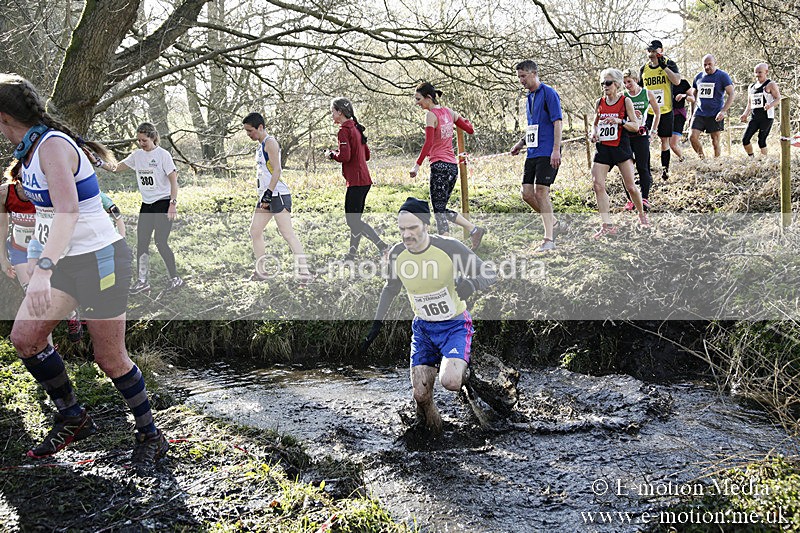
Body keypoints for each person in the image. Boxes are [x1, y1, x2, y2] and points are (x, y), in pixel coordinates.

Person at [0, 73, 167, 465]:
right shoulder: (28, 151)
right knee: (26, 337)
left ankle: (149, 434)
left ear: (5, 116)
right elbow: (45, 216)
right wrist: (33, 262)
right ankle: (73, 417)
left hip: (100, 260)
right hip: (62, 263)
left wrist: (41, 270)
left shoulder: (53, 146)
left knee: (109, 358)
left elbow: (68, 211)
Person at [362, 198, 496, 436]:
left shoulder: (449, 247)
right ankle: (435, 438)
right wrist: (376, 324)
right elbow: (390, 288)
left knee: (451, 382)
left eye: (412, 227)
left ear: (426, 225)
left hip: (454, 326)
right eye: (401, 229)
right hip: (423, 329)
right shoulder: (397, 253)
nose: (406, 234)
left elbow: (490, 272)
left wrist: (473, 284)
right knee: (421, 396)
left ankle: (466, 372)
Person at [89, 123, 182, 295]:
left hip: (163, 203)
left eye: (144, 140)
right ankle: (142, 281)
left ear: (153, 137)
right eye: (138, 140)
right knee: (142, 243)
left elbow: (173, 180)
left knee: (161, 242)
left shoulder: (163, 155)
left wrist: (172, 204)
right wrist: (98, 162)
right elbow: (116, 169)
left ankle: (175, 278)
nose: (141, 143)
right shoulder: (137, 155)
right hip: (147, 205)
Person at [1, 161, 81, 343]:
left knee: (54, 290)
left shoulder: (48, 191)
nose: (27, 185)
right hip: (20, 250)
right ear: (16, 177)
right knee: (34, 297)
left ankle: (71, 314)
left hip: (47, 249)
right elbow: (2, 227)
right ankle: (46, 348)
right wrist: (3, 258)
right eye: (22, 180)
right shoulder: (5, 193)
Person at [409, 82, 486, 250]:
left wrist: (417, 165)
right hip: (452, 167)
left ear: (428, 97)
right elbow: (470, 129)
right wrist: (464, 119)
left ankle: (447, 248)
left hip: (440, 166)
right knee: (441, 208)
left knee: (438, 210)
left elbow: (428, 143)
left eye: (418, 99)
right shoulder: (449, 112)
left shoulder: (431, 115)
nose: (417, 103)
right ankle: (474, 230)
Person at [242, 112, 312, 281]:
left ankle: (305, 273)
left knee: (287, 234)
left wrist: (268, 194)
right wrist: (263, 195)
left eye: (250, 131)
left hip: (277, 195)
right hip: (265, 196)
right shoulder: (260, 146)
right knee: (255, 231)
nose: (249, 135)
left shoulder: (270, 143)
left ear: (260, 127)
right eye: (246, 132)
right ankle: (261, 272)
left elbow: (277, 170)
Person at [510, 60, 569, 252]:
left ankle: (549, 240)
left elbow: (557, 122)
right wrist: (521, 143)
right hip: (532, 151)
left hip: (548, 150)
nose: (521, 80)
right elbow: (533, 126)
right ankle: (554, 223)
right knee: (527, 194)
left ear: (534, 73)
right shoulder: (529, 97)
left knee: (541, 192)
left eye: (523, 76)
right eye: (519, 77)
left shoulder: (549, 93)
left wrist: (555, 149)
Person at [325, 97, 387, 261]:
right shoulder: (356, 128)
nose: (331, 115)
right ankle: (352, 254)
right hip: (364, 180)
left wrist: (331, 155)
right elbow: (366, 155)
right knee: (355, 220)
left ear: (339, 112)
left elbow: (345, 156)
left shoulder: (344, 130)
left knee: (352, 221)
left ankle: (382, 246)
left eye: (332, 111)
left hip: (356, 182)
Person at [591, 69, 650, 239]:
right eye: (602, 83)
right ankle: (607, 224)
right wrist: (593, 133)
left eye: (608, 83)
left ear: (617, 84)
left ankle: (641, 215)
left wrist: (619, 121)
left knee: (631, 187)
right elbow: (595, 124)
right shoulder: (599, 102)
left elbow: (635, 126)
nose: (605, 86)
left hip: (621, 147)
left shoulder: (626, 101)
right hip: (603, 148)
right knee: (597, 185)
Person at [639, 40, 682, 180]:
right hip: (649, 112)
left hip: (665, 110)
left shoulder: (669, 63)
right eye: (649, 51)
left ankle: (665, 170)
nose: (651, 54)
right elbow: (639, 89)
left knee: (665, 141)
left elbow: (677, 81)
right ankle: (646, 172)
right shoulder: (644, 69)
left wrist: (664, 68)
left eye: (654, 51)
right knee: (645, 141)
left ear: (660, 51)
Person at [623, 68, 661, 210]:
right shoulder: (623, 96)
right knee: (626, 168)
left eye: (629, 82)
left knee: (643, 167)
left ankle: (644, 198)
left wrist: (653, 131)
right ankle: (630, 199)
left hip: (641, 135)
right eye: (625, 82)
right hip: (626, 136)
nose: (627, 85)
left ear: (636, 80)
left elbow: (658, 113)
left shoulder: (647, 93)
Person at [690, 55, 735, 158]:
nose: (707, 67)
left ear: (715, 63)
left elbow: (731, 94)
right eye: (704, 65)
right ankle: (703, 159)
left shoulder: (723, 76)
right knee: (692, 137)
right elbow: (693, 96)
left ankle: (716, 162)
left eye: (709, 64)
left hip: (715, 113)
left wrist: (723, 111)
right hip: (700, 113)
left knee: (715, 141)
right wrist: (691, 114)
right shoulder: (698, 77)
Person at [740, 63, 781, 157]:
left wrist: (770, 105)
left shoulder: (770, 84)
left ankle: (764, 161)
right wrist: (745, 114)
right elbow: (750, 103)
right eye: (756, 72)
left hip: (766, 117)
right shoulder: (751, 86)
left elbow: (778, 98)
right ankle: (752, 158)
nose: (757, 74)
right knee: (745, 139)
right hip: (754, 118)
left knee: (761, 140)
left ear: (766, 72)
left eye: (760, 72)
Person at [670, 78, 695, 163]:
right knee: (665, 142)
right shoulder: (662, 83)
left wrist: (684, 95)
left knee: (673, 144)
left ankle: (683, 159)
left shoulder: (683, 83)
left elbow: (693, 98)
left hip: (678, 114)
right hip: (665, 115)